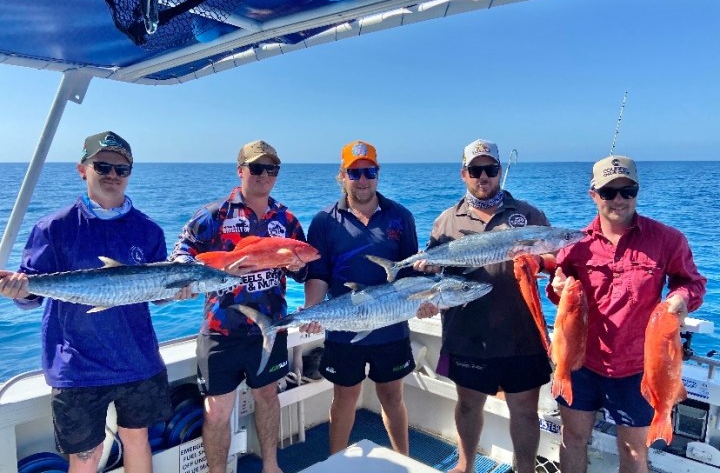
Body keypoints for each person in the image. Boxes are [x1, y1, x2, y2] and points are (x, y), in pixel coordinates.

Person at [0, 131, 188, 473]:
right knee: (86, 455)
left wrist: (180, 289)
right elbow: (30, 296)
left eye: (122, 169)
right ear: (82, 169)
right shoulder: (53, 227)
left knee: (137, 439)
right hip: (77, 365)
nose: (112, 175)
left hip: (139, 359)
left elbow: (158, 296)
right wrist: (19, 290)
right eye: (102, 166)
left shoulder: (148, 230)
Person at [546, 155, 706, 473]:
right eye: (608, 192)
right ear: (593, 195)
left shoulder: (668, 240)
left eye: (627, 190)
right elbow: (559, 293)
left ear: (637, 191)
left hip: (637, 368)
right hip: (582, 363)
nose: (618, 199)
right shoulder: (574, 245)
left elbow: (692, 283)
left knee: (633, 451)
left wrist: (680, 298)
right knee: (573, 437)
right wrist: (557, 286)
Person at [413, 139, 555, 473]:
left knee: (524, 408)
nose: (483, 177)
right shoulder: (447, 221)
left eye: (490, 169)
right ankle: (466, 465)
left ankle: (525, 469)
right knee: (468, 404)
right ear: (463, 174)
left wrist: (542, 263)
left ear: (499, 171)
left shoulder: (528, 214)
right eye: (475, 170)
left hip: (521, 330)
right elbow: (435, 271)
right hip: (467, 330)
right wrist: (426, 290)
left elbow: (555, 257)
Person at [169, 140, 308, 473]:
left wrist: (296, 267)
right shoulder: (214, 214)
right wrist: (206, 273)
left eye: (271, 169)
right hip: (221, 330)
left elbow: (305, 269)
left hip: (269, 329)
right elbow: (181, 253)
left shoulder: (286, 218)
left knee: (267, 397)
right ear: (240, 170)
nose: (264, 175)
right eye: (256, 168)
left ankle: (271, 466)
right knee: (217, 410)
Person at [302, 140, 432, 456]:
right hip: (344, 324)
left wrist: (425, 298)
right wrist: (311, 310)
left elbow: (411, 271)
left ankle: (404, 459)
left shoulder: (400, 216)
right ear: (342, 176)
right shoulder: (324, 220)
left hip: (391, 323)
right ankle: (336, 462)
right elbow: (318, 273)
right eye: (354, 172)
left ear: (378, 173)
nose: (362, 179)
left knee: (392, 395)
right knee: (345, 397)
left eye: (369, 172)